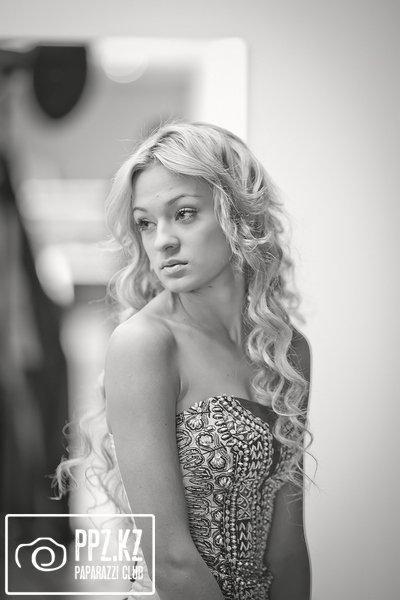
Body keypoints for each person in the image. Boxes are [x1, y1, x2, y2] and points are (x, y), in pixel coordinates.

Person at [56, 121, 312, 600]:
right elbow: (170, 559)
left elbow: (288, 547)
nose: (162, 241)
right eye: (146, 223)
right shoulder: (145, 344)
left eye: (184, 213)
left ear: (238, 214)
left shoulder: (284, 349)